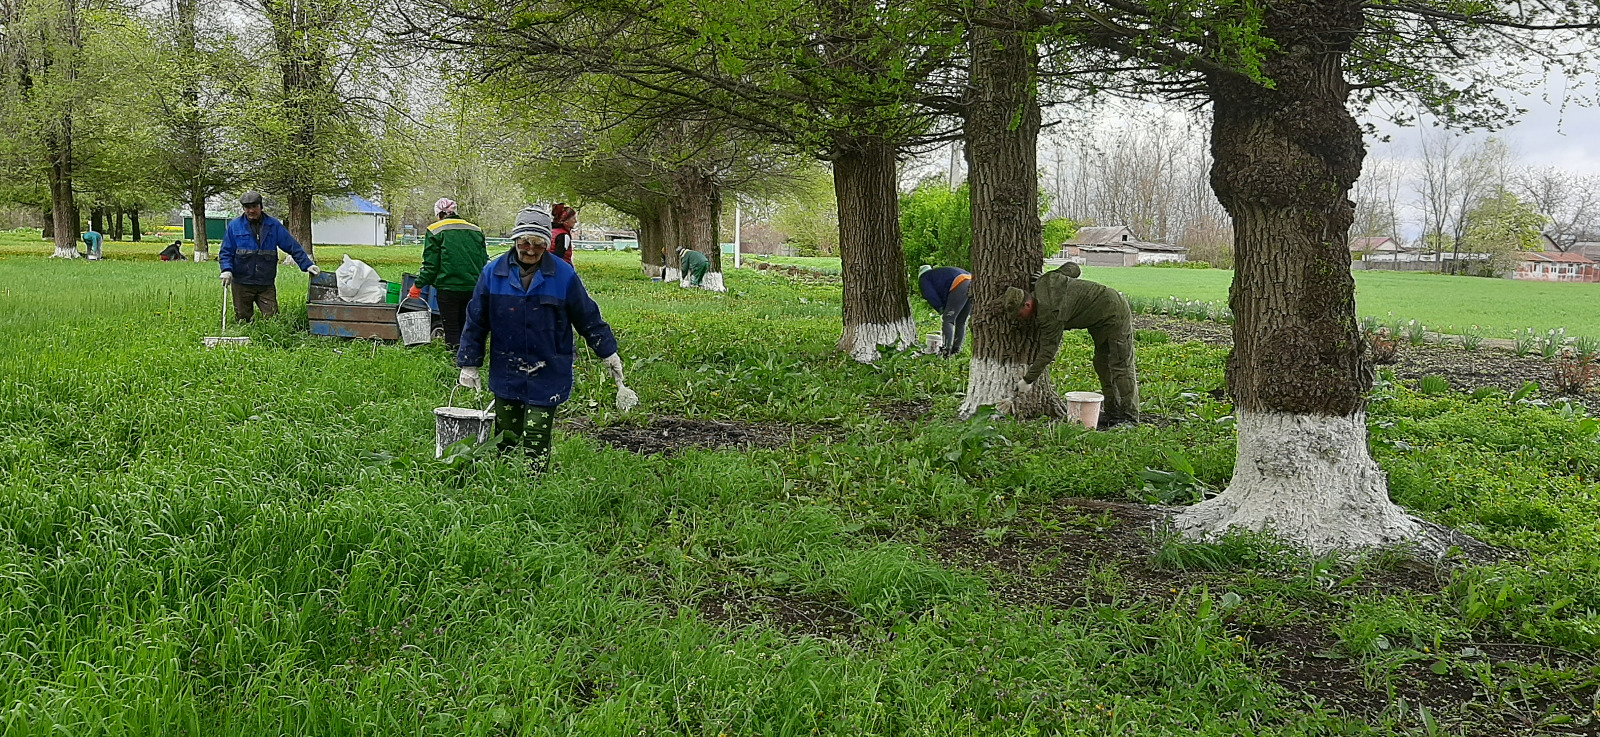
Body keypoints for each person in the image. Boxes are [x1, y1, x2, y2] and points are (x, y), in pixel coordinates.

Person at [456, 207, 636, 471]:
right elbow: (476, 320)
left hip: (549, 367)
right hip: (507, 368)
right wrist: (469, 363)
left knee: (537, 432)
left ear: (548, 243)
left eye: (538, 244)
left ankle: (534, 483)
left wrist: (608, 352)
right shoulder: (493, 273)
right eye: (524, 243)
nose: (530, 250)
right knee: (506, 433)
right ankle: (503, 477)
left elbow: (587, 316)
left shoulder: (563, 275)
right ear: (515, 241)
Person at [1003, 262, 1140, 426]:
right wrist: (1054, 275)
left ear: (1027, 304)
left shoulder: (1050, 314)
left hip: (1114, 313)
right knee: (1102, 364)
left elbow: (1047, 352)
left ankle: (1130, 417)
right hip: (1099, 318)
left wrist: (1027, 380)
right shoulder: (1044, 281)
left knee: (1120, 365)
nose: (1019, 319)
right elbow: (1074, 268)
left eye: (1019, 315)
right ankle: (1113, 412)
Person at [218, 191, 321, 322]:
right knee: (243, 320)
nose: (251, 210)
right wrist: (226, 270)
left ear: (261, 206)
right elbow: (226, 251)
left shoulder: (273, 225)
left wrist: (307, 264)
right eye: (247, 207)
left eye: (254, 206)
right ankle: (247, 341)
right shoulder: (234, 226)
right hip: (242, 283)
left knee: (273, 319)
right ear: (243, 208)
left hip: (265, 283)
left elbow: (292, 246)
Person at [416, 197, 488, 348]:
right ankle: (467, 358)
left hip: (448, 288)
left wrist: (418, 285)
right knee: (466, 326)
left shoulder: (435, 230)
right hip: (472, 287)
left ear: (440, 214)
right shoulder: (476, 230)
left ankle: (454, 362)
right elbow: (483, 261)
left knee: (451, 329)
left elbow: (431, 265)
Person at [917, 264, 972, 356]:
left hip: (960, 282)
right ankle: (956, 350)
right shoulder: (938, 274)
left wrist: (940, 308)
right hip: (972, 280)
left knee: (948, 320)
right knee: (961, 321)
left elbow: (930, 295)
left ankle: (946, 350)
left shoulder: (924, 278)